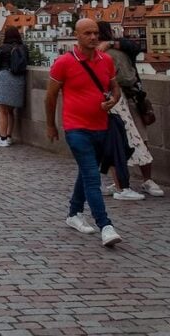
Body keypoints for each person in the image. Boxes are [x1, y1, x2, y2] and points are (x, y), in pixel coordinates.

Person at [45, 18, 124, 248]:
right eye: (87, 33)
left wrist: (113, 100)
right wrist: (51, 125)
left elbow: (115, 88)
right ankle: (106, 226)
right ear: (76, 36)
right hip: (76, 128)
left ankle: (74, 213)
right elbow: (50, 96)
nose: (93, 37)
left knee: (86, 171)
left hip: (101, 127)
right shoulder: (63, 62)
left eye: (95, 33)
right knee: (92, 176)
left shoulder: (106, 60)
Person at [96, 22, 163, 199]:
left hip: (125, 98)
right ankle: (135, 181)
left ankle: (127, 182)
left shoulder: (112, 51)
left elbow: (132, 53)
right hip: (124, 98)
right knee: (133, 139)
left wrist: (109, 44)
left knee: (131, 139)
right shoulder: (110, 51)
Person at [0, 27, 27, 147]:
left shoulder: (3, 48)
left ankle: (2, 138)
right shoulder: (23, 48)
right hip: (19, 80)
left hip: (4, 77)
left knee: (2, 110)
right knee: (11, 111)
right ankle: (9, 136)